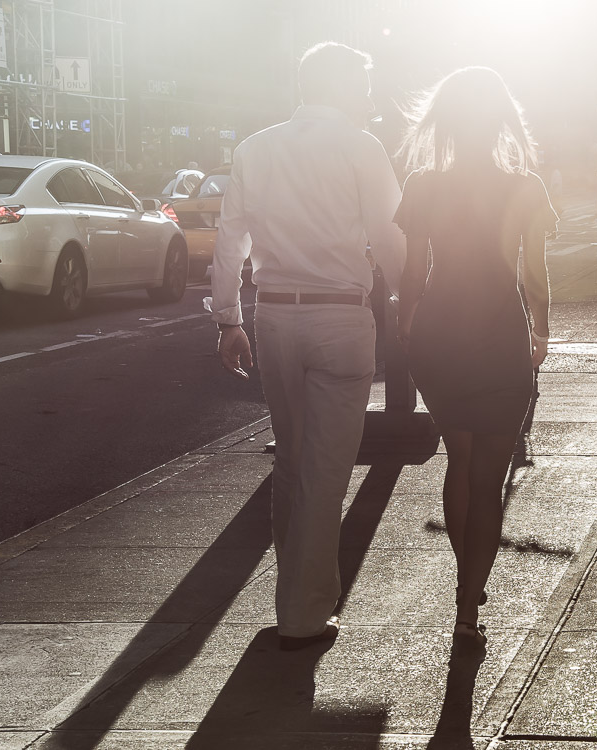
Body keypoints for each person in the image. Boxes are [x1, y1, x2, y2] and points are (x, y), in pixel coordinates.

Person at [205, 42, 406, 651]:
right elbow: (389, 234)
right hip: (341, 317)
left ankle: (293, 598)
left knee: (291, 461)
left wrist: (226, 320)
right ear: (344, 88)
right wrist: (408, 299)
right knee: (325, 471)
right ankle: (302, 614)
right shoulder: (362, 147)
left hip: (273, 318)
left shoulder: (255, 148)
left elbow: (230, 237)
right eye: (365, 87)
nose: (370, 99)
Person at [395, 66, 555, 661]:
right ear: (500, 124)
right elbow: (532, 274)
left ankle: (468, 587)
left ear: (446, 124)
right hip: (499, 331)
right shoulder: (526, 186)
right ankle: (469, 604)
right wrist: (542, 330)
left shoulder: (423, 185)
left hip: (439, 331)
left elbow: (413, 272)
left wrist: (407, 322)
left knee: (459, 460)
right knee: (488, 476)